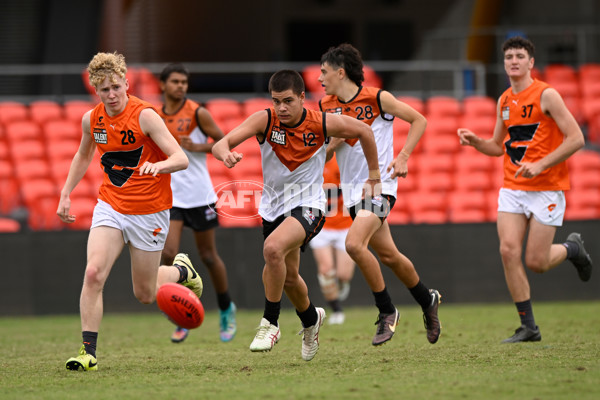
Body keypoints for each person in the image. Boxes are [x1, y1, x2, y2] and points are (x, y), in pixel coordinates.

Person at [211, 69, 380, 361]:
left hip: (310, 206)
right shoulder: (265, 119)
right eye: (276, 101)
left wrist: (374, 174)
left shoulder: (322, 123)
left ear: (303, 97)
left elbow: (364, 130)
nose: (281, 108)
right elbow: (219, 143)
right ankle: (311, 320)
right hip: (273, 208)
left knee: (272, 248)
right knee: (288, 278)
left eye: (288, 101)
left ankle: (270, 323)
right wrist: (225, 153)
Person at [57, 52, 202, 371]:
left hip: (150, 211)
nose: (111, 95)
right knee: (93, 273)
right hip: (111, 205)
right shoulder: (91, 119)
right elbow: (83, 156)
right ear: (96, 90)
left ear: (126, 83)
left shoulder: (145, 115)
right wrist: (66, 193)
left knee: (146, 294)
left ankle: (182, 272)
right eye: (104, 89)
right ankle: (88, 352)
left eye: (116, 87)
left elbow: (181, 158)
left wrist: (159, 165)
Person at [457, 36, 592, 343]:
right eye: (508, 57)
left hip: (546, 187)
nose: (513, 61)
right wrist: (476, 142)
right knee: (507, 250)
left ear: (531, 62)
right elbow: (496, 146)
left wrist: (541, 164)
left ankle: (573, 249)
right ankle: (528, 326)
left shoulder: (547, 95)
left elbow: (576, 139)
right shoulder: (504, 100)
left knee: (537, 262)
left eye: (519, 56)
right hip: (514, 187)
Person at [318, 43, 442, 346]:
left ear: (340, 72)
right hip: (351, 194)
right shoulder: (325, 106)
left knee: (353, 244)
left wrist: (404, 157)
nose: (320, 78)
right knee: (389, 255)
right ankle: (427, 299)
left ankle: (387, 312)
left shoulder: (377, 97)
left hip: (380, 187)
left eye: (324, 72)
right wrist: (329, 146)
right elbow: (328, 151)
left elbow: (419, 120)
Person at [157, 63, 237, 344]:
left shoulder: (197, 112)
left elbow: (224, 143)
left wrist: (196, 147)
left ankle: (227, 308)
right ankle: (182, 313)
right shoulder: (153, 116)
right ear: (162, 85)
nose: (181, 86)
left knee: (208, 256)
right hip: (172, 197)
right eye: (175, 81)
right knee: (168, 254)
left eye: (184, 82)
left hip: (200, 195)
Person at [308, 155, 355, 325]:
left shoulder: (342, 159)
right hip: (322, 225)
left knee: (343, 274)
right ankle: (336, 310)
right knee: (326, 270)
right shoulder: (312, 158)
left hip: (345, 224)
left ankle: (342, 283)